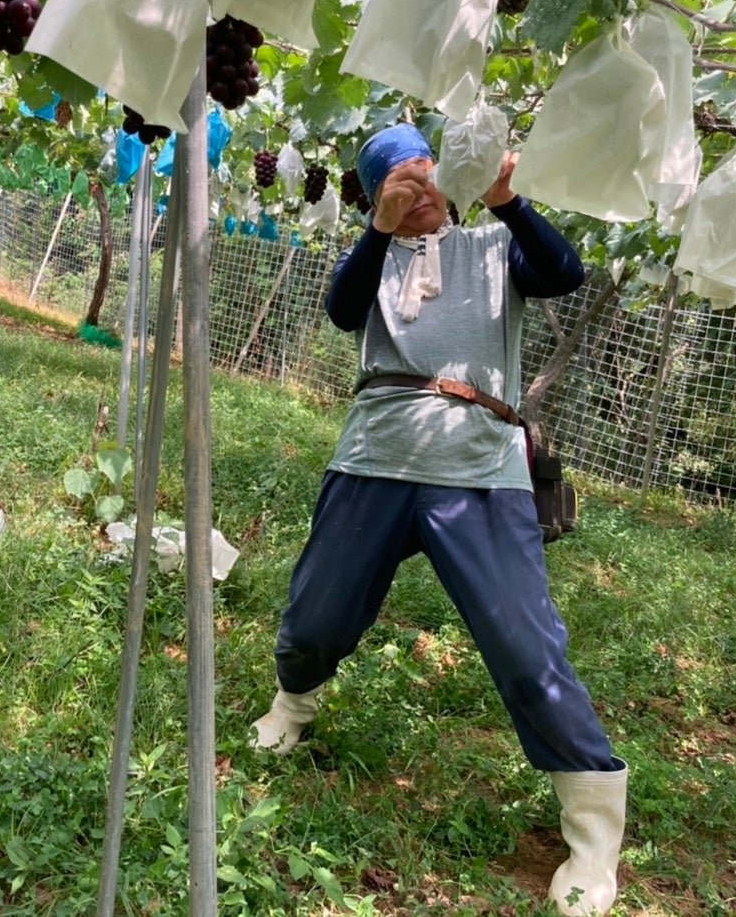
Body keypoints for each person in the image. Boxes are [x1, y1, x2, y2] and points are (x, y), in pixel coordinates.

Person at [250, 124, 628, 917]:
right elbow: (341, 311)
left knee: (527, 649)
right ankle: (293, 705)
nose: (418, 191)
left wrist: (508, 200)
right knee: (318, 617)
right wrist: (378, 227)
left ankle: (593, 833)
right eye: (398, 181)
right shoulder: (374, 256)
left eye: (426, 175)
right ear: (377, 191)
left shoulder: (495, 248)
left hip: (480, 469)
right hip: (376, 456)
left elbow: (563, 273)